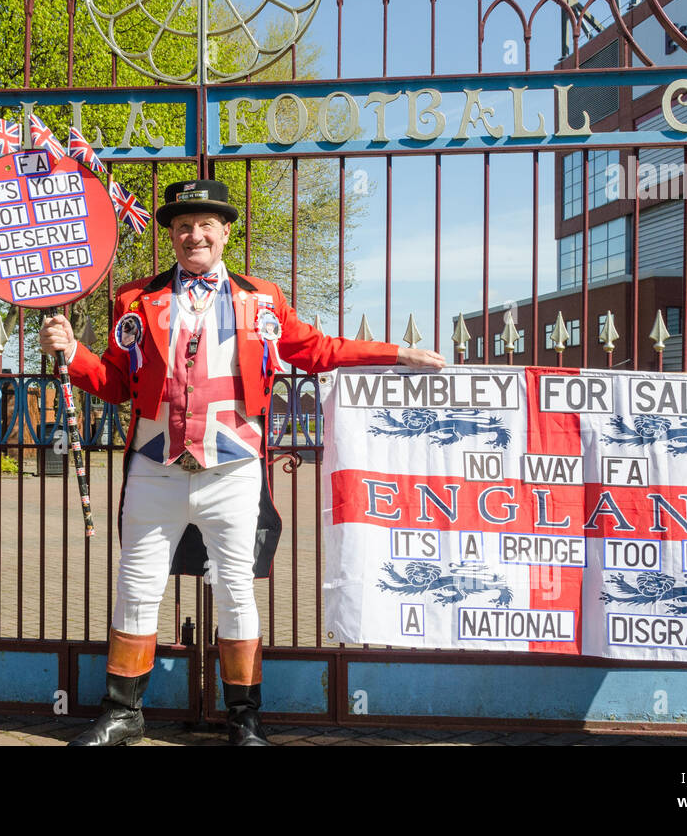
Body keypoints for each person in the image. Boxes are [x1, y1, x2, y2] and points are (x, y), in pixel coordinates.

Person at [39, 179, 446, 746]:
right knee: (136, 588)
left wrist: (395, 353)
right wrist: (73, 354)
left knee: (235, 589)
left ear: (226, 231)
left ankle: (244, 719)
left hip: (232, 470)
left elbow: (318, 350)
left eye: (206, 224)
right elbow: (116, 384)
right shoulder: (134, 299)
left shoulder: (263, 298)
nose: (193, 234)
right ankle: (122, 712)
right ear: (172, 236)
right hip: (154, 469)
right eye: (182, 225)